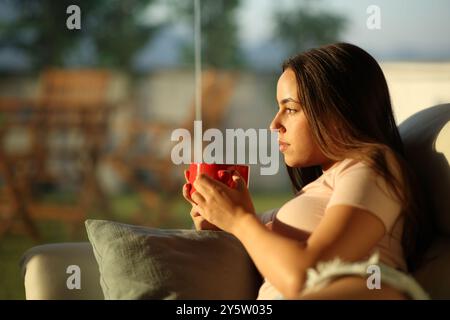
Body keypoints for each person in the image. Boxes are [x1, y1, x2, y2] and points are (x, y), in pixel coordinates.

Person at [182, 43, 433, 300]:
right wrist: (223, 225)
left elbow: (307, 277)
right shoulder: (318, 188)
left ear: (337, 111)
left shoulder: (371, 164)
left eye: (290, 109)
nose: (274, 124)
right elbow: (278, 268)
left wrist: (239, 219)